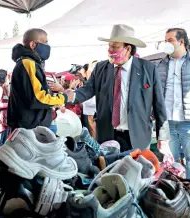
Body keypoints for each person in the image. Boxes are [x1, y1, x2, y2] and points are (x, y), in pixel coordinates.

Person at [65, 24, 169, 152]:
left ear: (128, 48)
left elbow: (159, 103)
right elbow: (87, 90)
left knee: (136, 169)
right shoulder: (101, 68)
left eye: (115, 47)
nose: (110, 50)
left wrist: (162, 136)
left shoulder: (148, 69)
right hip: (107, 134)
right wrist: (70, 96)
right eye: (109, 46)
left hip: (137, 135)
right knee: (110, 170)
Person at [156, 28, 190, 184]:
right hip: (168, 123)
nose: (166, 44)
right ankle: (177, 197)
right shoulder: (161, 65)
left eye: (170, 40)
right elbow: (156, 93)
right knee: (170, 162)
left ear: (181, 41)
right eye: (165, 41)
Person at [8, 28, 67, 130]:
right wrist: (63, 98)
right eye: (45, 42)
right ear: (33, 45)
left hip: (31, 126)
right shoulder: (28, 64)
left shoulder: (29, 63)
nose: (48, 46)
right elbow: (37, 98)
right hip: (31, 128)